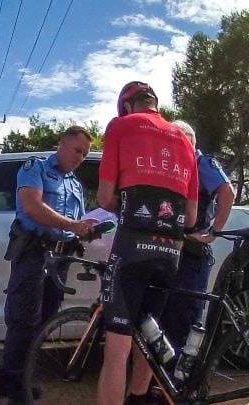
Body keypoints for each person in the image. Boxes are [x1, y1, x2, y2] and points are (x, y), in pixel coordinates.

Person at [96, 81, 199, 405]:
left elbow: (103, 198)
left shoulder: (121, 127)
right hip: (171, 252)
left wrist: (131, 204)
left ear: (126, 106)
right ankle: (138, 399)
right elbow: (192, 217)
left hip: (133, 247)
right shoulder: (183, 139)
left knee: (118, 348)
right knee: (149, 335)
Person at [0, 125, 96, 402]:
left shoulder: (75, 184)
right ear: (61, 143)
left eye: (85, 155)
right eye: (77, 150)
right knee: (23, 320)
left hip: (60, 258)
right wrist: (72, 225)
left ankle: (16, 379)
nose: (80, 157)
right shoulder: (35, 168)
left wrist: (89, 228)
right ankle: (16, 386)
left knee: (43, 323)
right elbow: (32, 207)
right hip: (34, 252)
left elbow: (78, 223)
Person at [160, 120, 235, 350]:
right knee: (165, 316)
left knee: (184, 319)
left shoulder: (202, 163)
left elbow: (227, 192)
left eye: (179, 138)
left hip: (192, 253)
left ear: (191, 141)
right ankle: (162, 379)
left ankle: (182, 380)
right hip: (171, 251)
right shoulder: (171, 165)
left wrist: (214, 232)